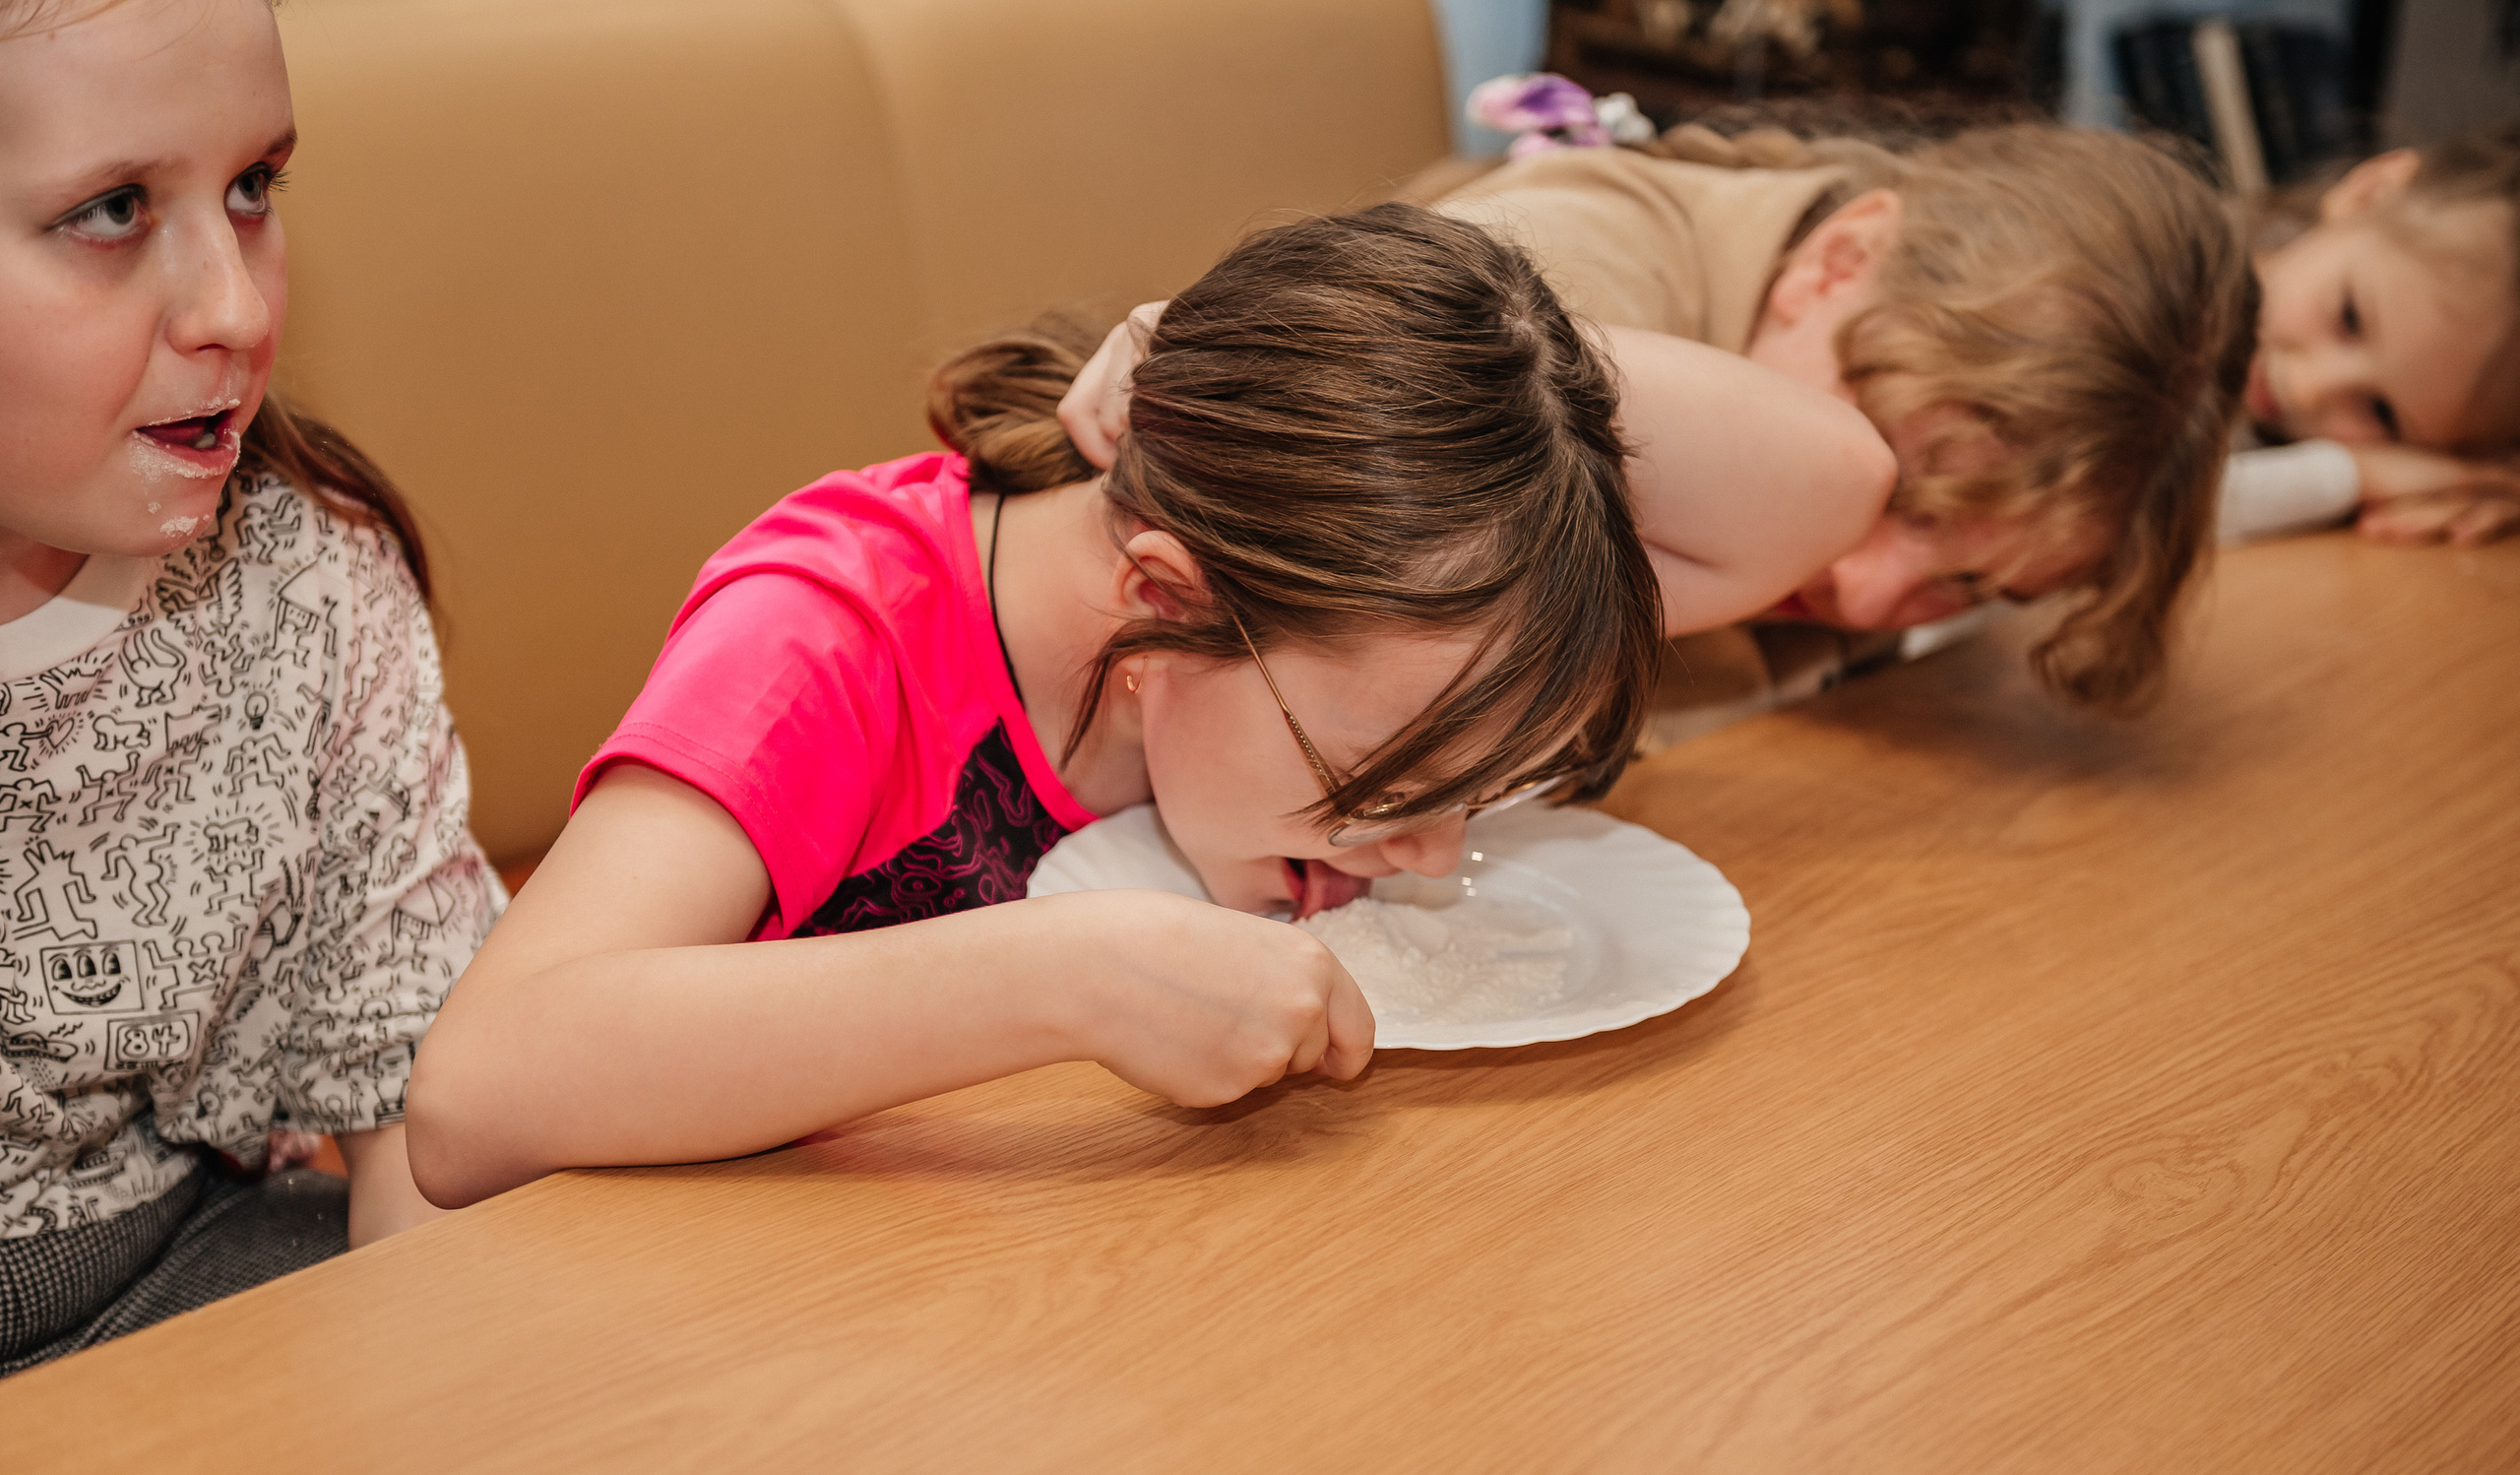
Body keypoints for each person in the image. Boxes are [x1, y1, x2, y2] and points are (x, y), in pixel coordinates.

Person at [405, 203, 1891, 1207]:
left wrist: (1483, 383)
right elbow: (477, 1094)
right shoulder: (836, 631)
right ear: (1165, 602)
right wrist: (1070, 978)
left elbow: (1832, 485)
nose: (1434, 856)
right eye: (1386, 780)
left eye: (1474, 794)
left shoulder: (1373, 613)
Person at [0, 0, 500, 1373]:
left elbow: (418, 1134)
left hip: (194, 1261)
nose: (235, 305)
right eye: (110, 208)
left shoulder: (308, 589)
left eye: (253, 190)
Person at [1417, 118, 2261, 713]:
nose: (1860, 598)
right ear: (1840, 261)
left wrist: (2344, 474)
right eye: (1892, 482)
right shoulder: (1549, 310)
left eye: (1966, 585)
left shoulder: (1838, 332)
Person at [2224, 120, 2520, 548]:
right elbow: (2117, 513)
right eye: (2349, 317)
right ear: (2372, 192)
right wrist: (2355, 476)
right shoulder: (2132, 275)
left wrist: (2483, 482)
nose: (2309, 390)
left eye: (2382, 414)